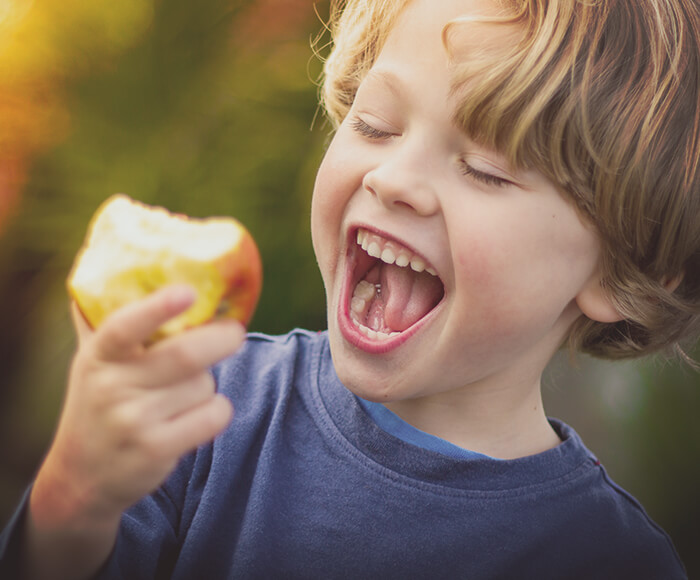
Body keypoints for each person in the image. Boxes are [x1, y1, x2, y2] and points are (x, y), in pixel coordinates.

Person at [1, 0, 698, 577]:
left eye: (486, 168)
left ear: (616, 269)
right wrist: (72, 500)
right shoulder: (202, 412)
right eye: (373, 124)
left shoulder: (614, 560)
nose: (391, 179)